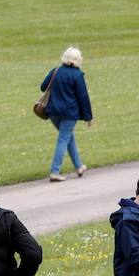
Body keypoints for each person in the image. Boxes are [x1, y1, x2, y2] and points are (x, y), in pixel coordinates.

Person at [41, 46, 92, 182]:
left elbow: (43, 86)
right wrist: (88, 117)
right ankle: (55, 171)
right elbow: (83, 97)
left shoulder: (55, 71)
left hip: (52, 112)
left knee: (68, 136)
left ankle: (79, 166)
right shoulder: (77, 75)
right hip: (69, 114)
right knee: (64, 138)